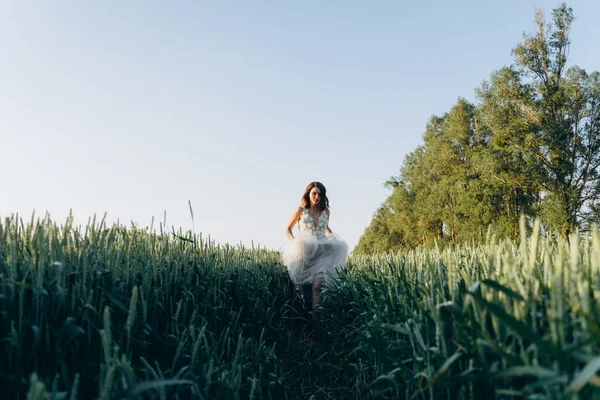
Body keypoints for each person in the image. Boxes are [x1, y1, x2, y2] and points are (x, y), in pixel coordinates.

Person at [283, 181, 349, 310]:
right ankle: (305, 319)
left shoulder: (326, 211)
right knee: (305, 289)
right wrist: (296, 244)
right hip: (305, 252)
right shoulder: (300, 210)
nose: (317, 197)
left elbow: (324, 227)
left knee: (318, 285)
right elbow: (287, 229)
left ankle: (317, 318)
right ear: (308, 194)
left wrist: (333, 239)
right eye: (314, 193)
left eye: (320, 194)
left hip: (320, 252)